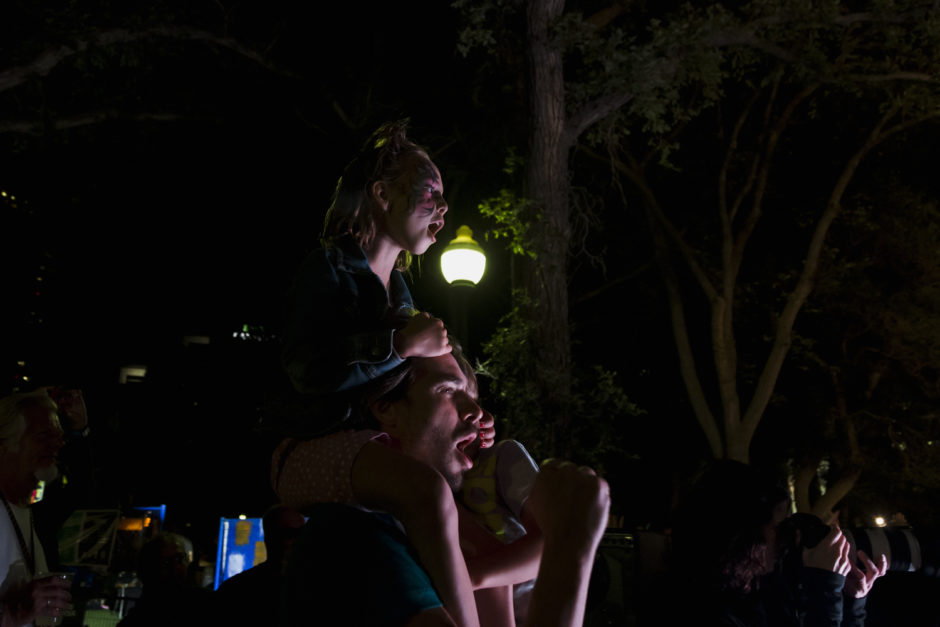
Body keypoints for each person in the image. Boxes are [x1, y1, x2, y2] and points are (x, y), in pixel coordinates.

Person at [270, 120, 493, 627]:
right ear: (381, 194)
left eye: (442, 199)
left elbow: (406, 387)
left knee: (473, 510)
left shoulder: (400, 294)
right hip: (308, 445)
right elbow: (305, 369)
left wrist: (469, 416)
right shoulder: (327, 269)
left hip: (369, 441)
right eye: (429, 192)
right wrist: (396, 345)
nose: (441, 208)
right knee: (429, 493)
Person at [280, 349, 611, 626]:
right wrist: (570, 545)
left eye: (471, 396)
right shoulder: (356, 538)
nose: (476, 412)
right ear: (386, 408)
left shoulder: (451, 530)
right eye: (449, 391)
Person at [670, 460, 888, 627]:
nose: (789, 537)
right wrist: (826, 592)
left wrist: (851, 602)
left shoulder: (766, 588)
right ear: (742, 539)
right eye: (779, 527)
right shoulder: (702, 612)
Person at [0, 390, 72, 627]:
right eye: (44, 435)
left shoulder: (31, 513)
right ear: (4, 445)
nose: (58, 444)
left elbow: (87, 493)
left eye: (59, 436)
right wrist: (14, 614)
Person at [458, 432, 543, 627]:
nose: (472, 412)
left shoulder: (499, 458)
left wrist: (463, 578)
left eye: (474, 400)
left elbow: (551, 544)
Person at [214, 505, 305, 626]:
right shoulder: (236, 590)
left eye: (302, 533)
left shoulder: (234, 588)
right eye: (290, 533)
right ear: (270, 537)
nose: (298, 540)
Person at [117, 533, 211, 627]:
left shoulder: (200, 602)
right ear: (148, 570)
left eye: (179, 559)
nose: (175, 567)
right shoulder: (199, 604)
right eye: (165, 562)